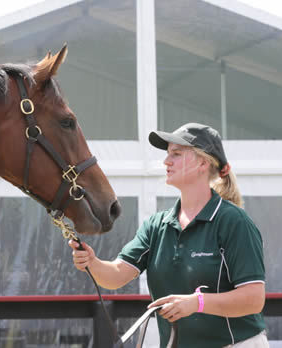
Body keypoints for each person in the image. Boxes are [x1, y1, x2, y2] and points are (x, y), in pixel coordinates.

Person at [69, 123, 267, 347]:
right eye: (167, 154)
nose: (166, 161)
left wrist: (197, 303)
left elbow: (253, 299)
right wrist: (92, 263)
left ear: (203, 162)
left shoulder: (234, 222)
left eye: (177, 154)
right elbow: (116, 276)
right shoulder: (156, 225)